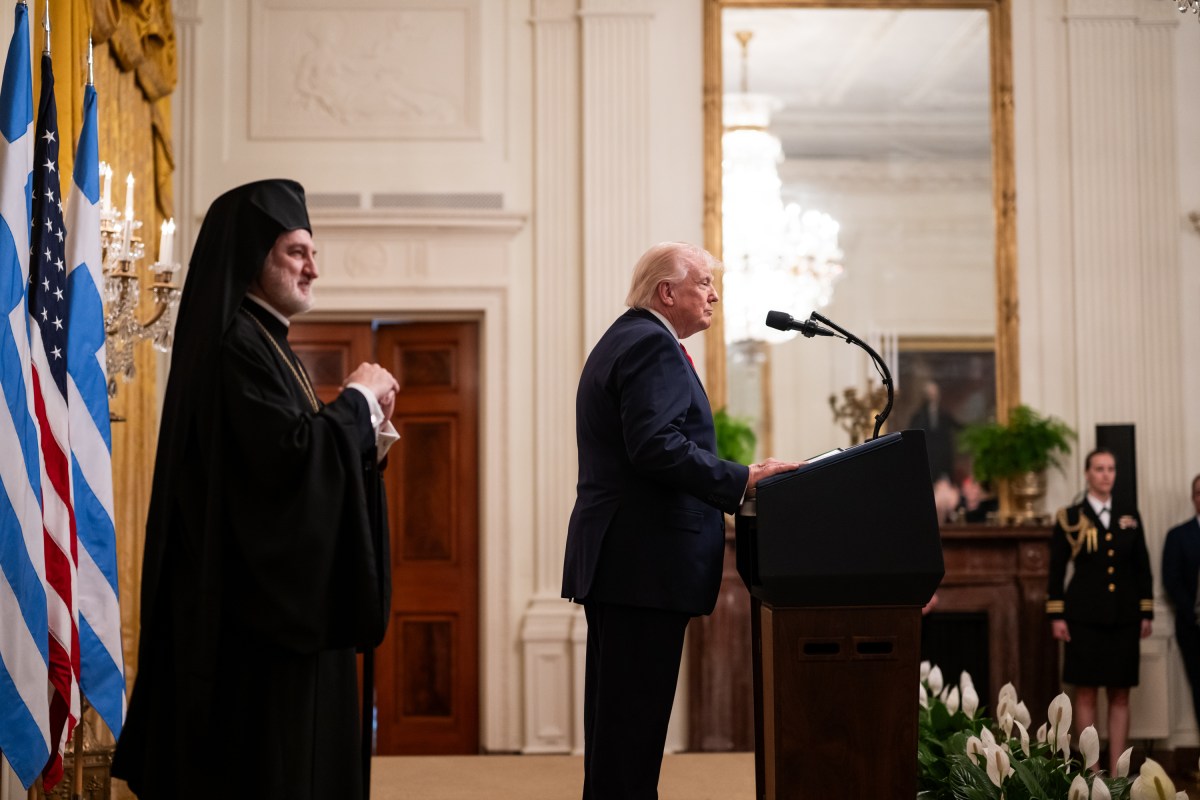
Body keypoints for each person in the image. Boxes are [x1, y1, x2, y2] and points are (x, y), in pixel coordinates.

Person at [111, 180, 398, 799]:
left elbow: (302, 453)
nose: (314, 269)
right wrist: (355, 403)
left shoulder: (270, 345)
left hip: (276, 630)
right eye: (297, 252)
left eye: (312, 254)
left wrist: (366, 431)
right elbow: (286, 472)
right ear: (251, 257)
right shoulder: (235, 348)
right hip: (250, 641)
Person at [561, 242, 799, 799]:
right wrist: (740, 479)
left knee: (620, 737)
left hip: (626, 566)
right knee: (631, 739)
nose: (714, 294)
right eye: (703, 283)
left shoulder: (627, 338)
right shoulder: (650, 345)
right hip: (642, 568)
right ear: (667, 292)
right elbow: (656, 446)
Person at [1045, 448, 1153, 773]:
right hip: (1084, 618)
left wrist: (1145, 610)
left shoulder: (1129, 514)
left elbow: (1142, 567)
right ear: (1087, 474)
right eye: (1099, 468)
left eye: (1111, 468)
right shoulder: (1071, 517)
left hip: (1124, 617)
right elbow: (1056, 569)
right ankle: (1091, 771)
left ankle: (1118, 770)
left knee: (1120, 694)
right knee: (1087, 691)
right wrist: (1057, 615)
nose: (1106, 474)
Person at [1162, 474, 1200, 741]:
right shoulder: (1178, 536)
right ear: (1193, 497)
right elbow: (1171, 580)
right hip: (1194, 627)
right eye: (1199, 493)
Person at [906, 380, 960, 483]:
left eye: (935, 393)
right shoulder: (919, 416)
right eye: (930, 393)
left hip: (942, 459)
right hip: (926, 457)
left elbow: (956, 426)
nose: (933, 396)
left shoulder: (944, 414)